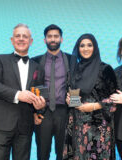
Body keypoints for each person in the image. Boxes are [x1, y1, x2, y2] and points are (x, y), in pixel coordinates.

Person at [0, 23, 46, 160]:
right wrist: (18, 95)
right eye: (17, 36)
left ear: (30, 41)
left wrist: (40, 108)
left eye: (25, 36)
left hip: (25, 126)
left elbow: (40, 95)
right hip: (1, 123)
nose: (21, 39)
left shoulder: (38, 67)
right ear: (12, 40)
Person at [63, 33, 118, 160]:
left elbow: (115, 99)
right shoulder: (73, 70)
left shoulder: (105, 69)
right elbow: (73, 94)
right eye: (82, 45)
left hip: (99, 125)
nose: (85, 48)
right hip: (78, 125)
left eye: (89, 45)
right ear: (78, 49)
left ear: (95, 48)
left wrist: (94, 106)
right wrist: (70, 100)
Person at [32, 24, 72, 160]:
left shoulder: (72, 60)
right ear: (45, 40)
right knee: (42, 153)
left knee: (64, 153)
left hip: (64, 112)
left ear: (61, 39)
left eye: (56, 36)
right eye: (50, 36)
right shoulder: (35, 61)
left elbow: (76, 84)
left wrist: (74, 107)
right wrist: (34, 112)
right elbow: (30, 87)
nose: (53, 39)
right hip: (43, 113)